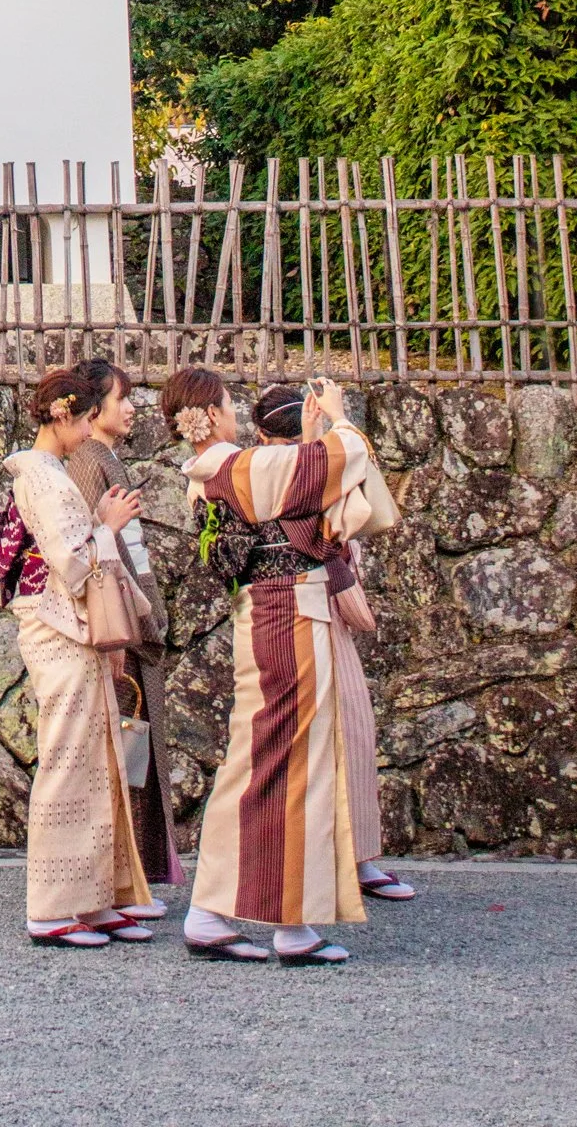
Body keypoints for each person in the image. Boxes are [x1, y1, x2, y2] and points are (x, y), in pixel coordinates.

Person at [164, 365, 397, 966]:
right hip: (290, 615)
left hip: (266, 615)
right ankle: (292, 925)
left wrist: (316, 431)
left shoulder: (215, 473)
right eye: (226, 403)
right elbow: (335, 460)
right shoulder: (244, 467)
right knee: (299, 763)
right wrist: (338, 417)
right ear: (212, 414)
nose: (235, 411)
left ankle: (210, 913)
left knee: (255, 762)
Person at [249, 382, 415, 908]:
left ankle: (353, 856)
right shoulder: (301, 467)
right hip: (304, 606)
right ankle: (344, 859)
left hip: (299, 610)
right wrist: (339, 419)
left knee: (346, 731)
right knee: (327, 738)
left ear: (259, 432)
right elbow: (367, 494)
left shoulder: (272, 466)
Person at [5, 365, 152, 948]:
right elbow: (71, 560)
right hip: (57, 628)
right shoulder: (41, 476)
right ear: (64, 415)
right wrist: (108, 526)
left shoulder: (50, 472)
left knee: (99, 761)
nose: (92, 429)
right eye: (89, 417)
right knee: (67, 760)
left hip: (73, 627)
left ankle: (93, 899)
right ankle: (51, 906)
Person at [65, 359, 182, 917]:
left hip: (133, 619)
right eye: (123, 398)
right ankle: (120, 882)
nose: (132, 406)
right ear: (95, 408)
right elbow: (89, 544)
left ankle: (132, 878)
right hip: (119, 627)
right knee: (125, 754)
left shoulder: (104, 458)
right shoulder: (89, 460)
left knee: (133, 753)